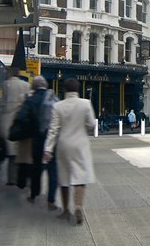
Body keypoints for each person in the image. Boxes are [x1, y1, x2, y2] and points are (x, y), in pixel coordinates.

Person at [43, 78, 96, 225]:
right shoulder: (85, 104)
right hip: (80, 144)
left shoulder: (58, 106)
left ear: (64, 90)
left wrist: (47, 149)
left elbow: (54, 129)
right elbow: (91, 124)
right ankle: (78, 206)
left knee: (64, 178)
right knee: (80, 176)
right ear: (78, 90)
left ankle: (66, 210)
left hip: (63, 144)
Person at [0, 67, 31, 186]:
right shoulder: (26, 85)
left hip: (6, 120)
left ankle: (9, 178)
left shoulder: (4, 85)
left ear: (9, 73)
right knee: (17, 151)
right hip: (19, 121)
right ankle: (20, 179)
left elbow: (0, 105)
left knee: (6, 149)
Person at [25, 76, 59, 211]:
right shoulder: (53, 98)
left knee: (36, 170)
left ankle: (34, 196)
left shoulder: (30, 99)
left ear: (34, 86)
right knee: (52, 170)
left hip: (37, 139)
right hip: (51, 138)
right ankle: (51, 200)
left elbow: (23, 118)